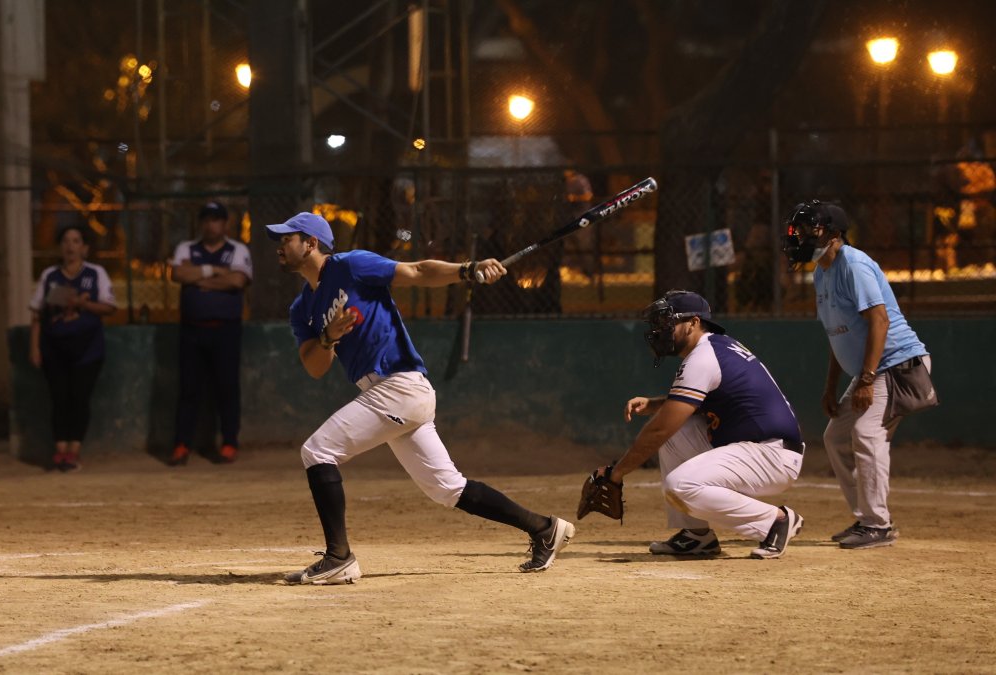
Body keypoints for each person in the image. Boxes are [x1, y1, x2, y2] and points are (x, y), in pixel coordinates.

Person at [267, 212, 574, 584]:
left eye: (288, 238)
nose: (280, 245)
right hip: (385, 393)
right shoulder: (303, 308)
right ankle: (544, 528)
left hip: (398, 385)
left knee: (317, 451)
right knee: (448, 489)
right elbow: (315, 366)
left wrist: (467, 269)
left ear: (311, 244)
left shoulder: (350, 265)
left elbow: (417, 271)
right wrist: (328, 337)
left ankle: (339, 557)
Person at [597, 290, 805, 559]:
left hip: (771, 455)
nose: (662, 329)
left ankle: (775, 521)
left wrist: (617, 473)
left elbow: (659, 429)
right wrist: (654, 404)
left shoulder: (703, 357)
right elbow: (685, 410)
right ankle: (696, 535)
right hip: (757, 447)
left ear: (694, 323)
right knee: (675, 434)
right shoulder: (715, 347)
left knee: (679, 484)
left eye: (668, 322)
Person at [784, 201, 933, 550]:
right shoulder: (821, 271)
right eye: (799, 231)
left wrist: (866, 380)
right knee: (837, 437)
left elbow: (878, 321)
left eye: (811, 230)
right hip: (872, 369)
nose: (801, 237)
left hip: (897, 364)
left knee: (866, 435)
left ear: (834, 234)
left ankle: (877, 525)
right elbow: (839, 332)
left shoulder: (855, 264)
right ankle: (868, 518)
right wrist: (831, 386)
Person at [169, 201, 253, 465]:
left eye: (216, 219)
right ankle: (182, 445)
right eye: (206, 219)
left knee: (226, 388)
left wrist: (200, 281)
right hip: (192, 331)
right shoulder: (187, 248)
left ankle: (229, 443)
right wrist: (214, 271)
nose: (210, 224)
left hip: (225, 331)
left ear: (225, 224)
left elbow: (238, 280)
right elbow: (179, 274)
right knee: (188, 390)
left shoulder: (237, 249)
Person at [29, 225, 117, 471]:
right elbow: (37, 314)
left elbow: (109, 307)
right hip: (54, 349)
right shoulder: (50, 276)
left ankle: (74, 451)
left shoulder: (95, 273)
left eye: (76, 241)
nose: (70, 246)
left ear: (85, 248)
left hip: (87, 350)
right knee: (59, 398)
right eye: (66, 241)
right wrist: (34, 347)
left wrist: (83, 304)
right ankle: (59, 450)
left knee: (79, 398)